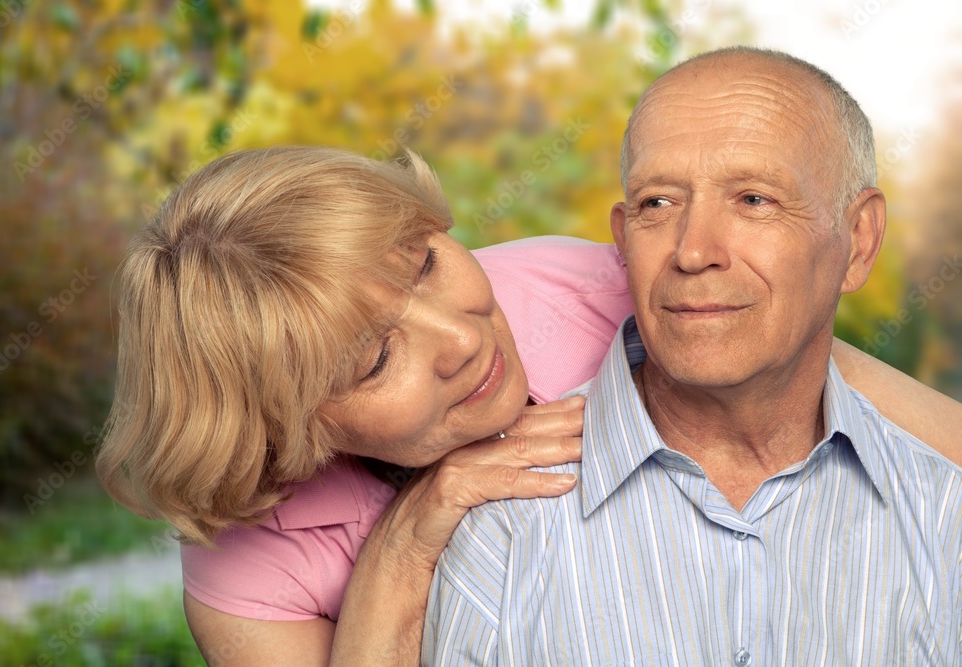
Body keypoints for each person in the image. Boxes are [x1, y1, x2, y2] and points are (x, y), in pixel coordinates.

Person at [95, 145, 962, 666]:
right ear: (284, 429)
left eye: (427, 262)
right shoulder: (250, 568)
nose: (465, 335)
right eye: (376, 358)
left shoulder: (579, 284)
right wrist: (407, 540)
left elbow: (877, 406)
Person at [423, 47, 962, 666]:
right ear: (623, 241)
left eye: (754, 200)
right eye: (659, 203)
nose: (693, 251)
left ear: (859, 242)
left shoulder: (945, 517)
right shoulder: (500, 526)